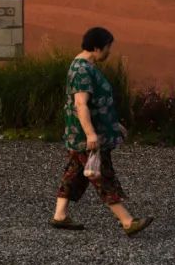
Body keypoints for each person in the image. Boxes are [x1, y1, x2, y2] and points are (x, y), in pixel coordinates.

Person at [49, 27, 154, 236]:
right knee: (102, 176)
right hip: (85, 137)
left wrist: (114, 125)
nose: (109, 51)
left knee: (74, 173)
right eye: (107, 47)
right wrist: (90, 134)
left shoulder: (86, 66)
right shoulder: (82, 70)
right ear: (97, 47)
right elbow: (81, 104)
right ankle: (127, 221)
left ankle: (60, 216)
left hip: (84, 135)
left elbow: (97, 103)